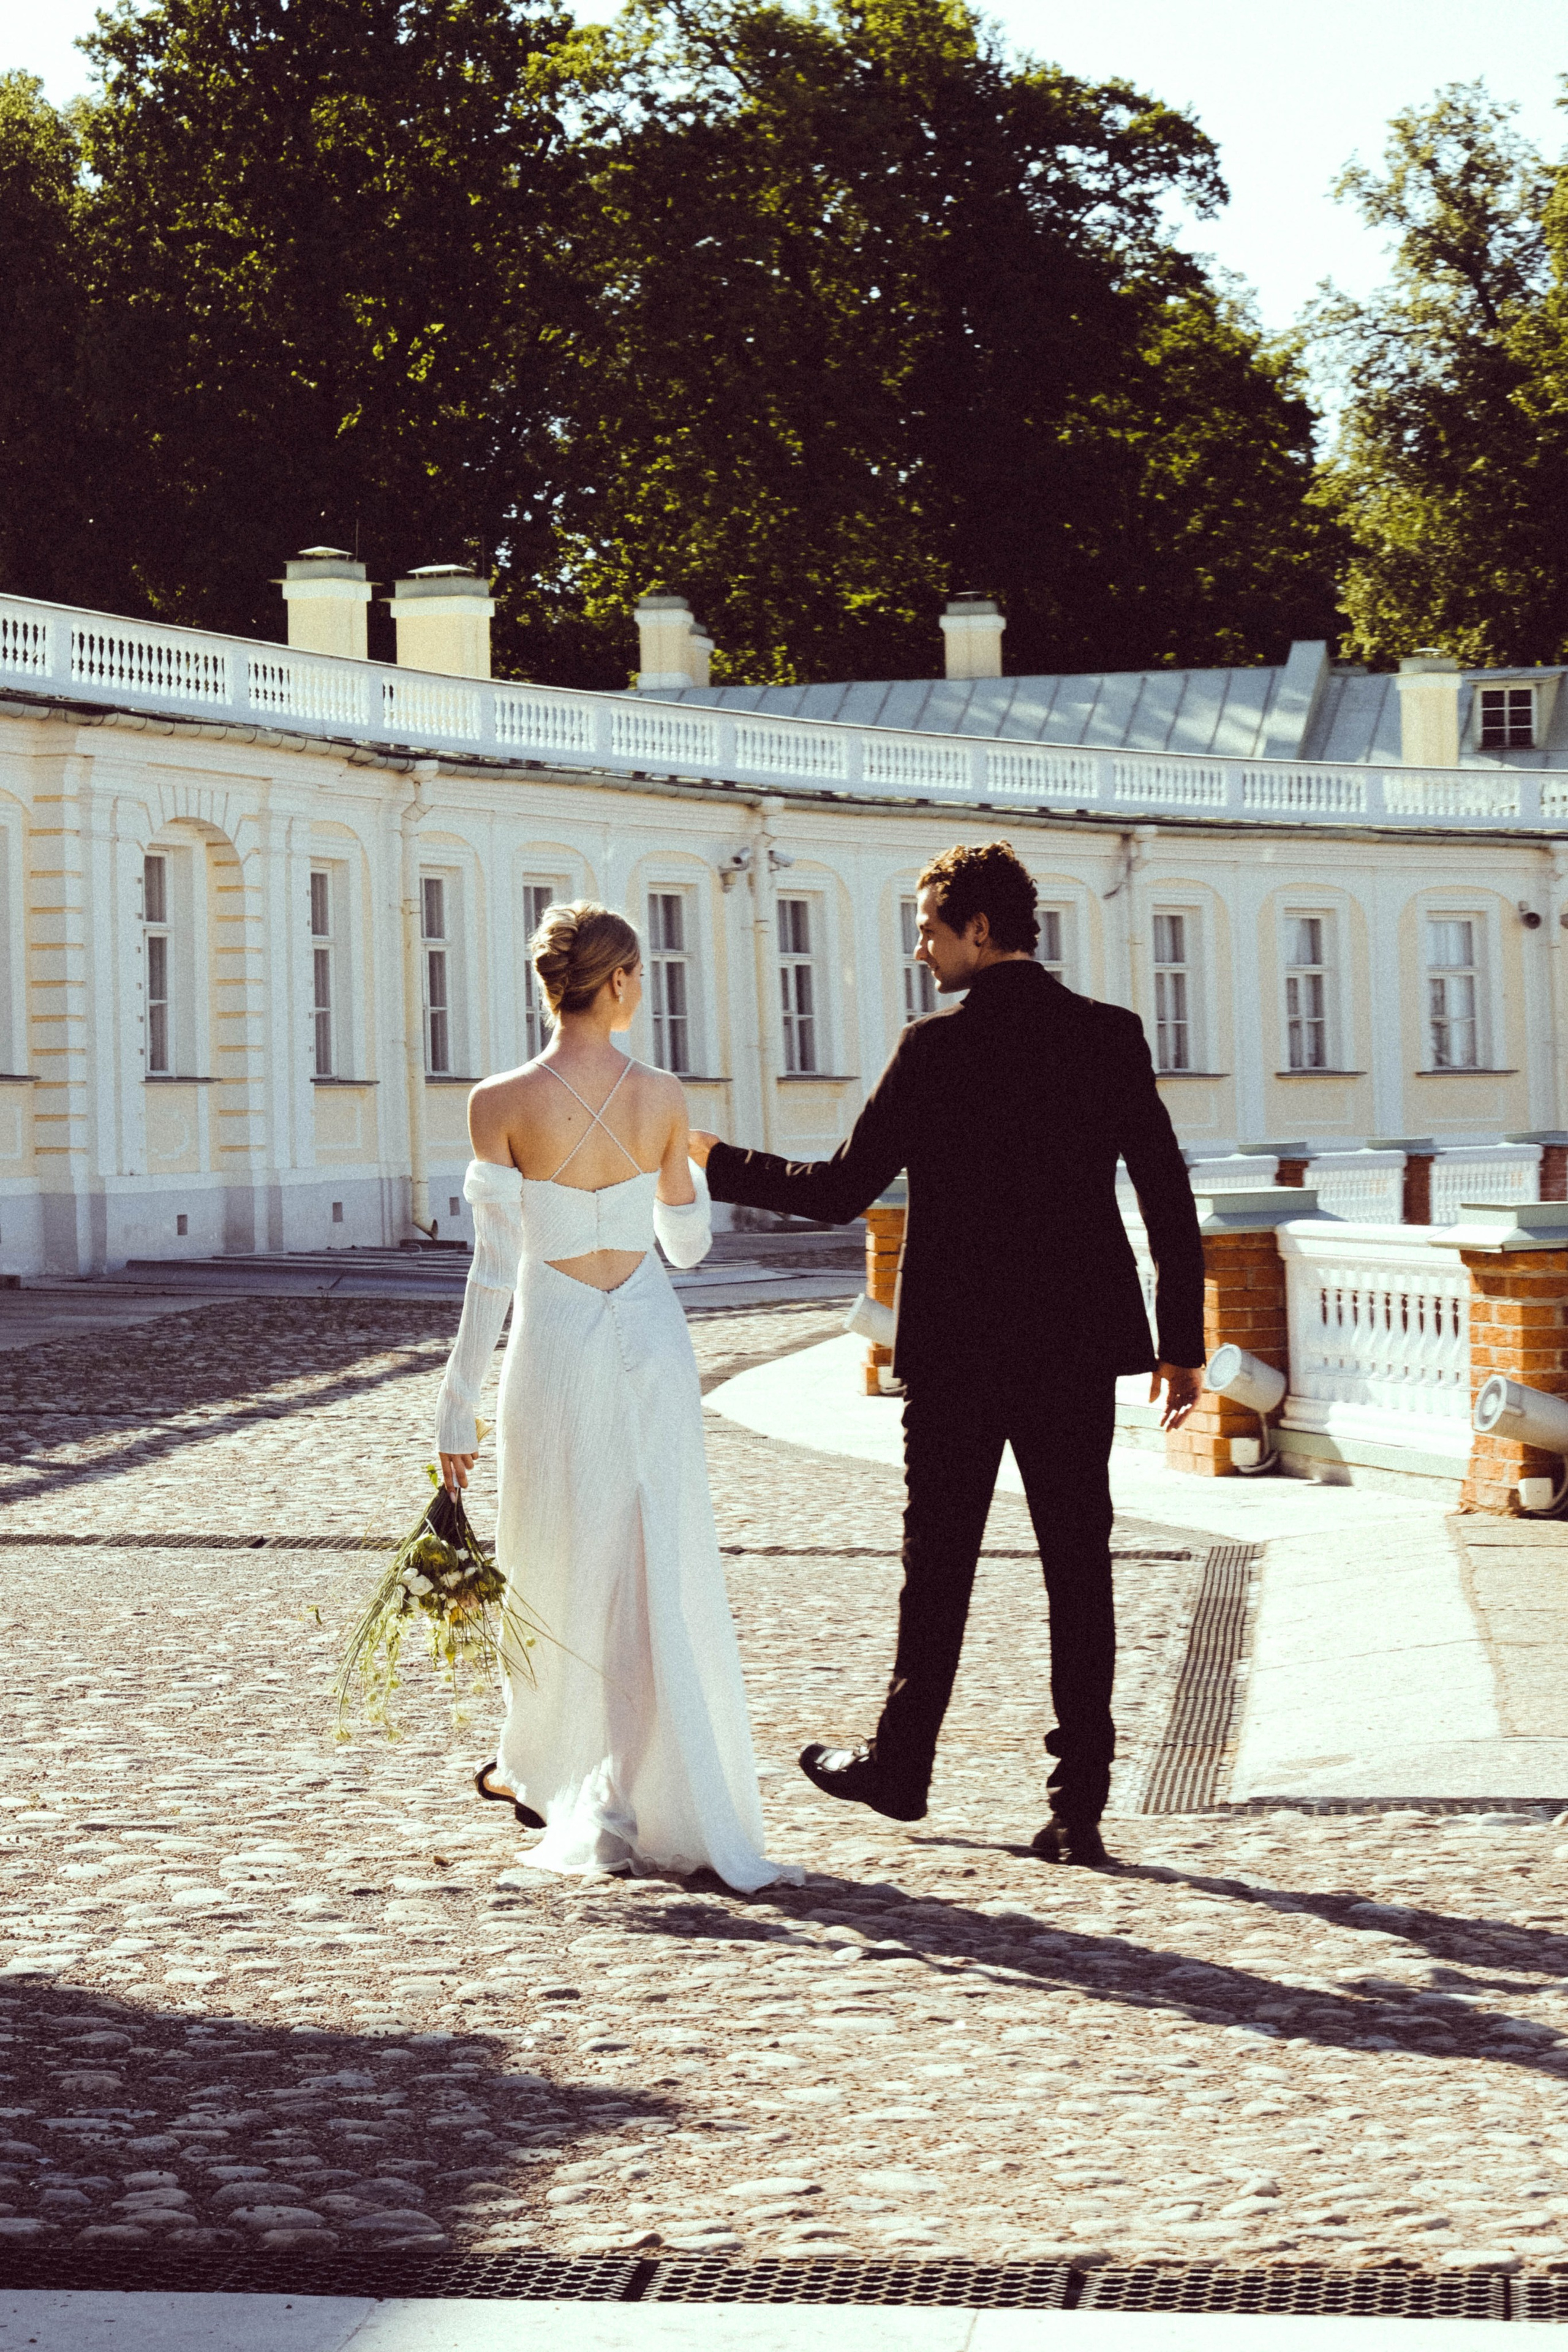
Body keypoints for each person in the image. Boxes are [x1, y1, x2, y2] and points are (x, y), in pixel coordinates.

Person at [690, 840, 1205, 1869]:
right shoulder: (1110, 1036)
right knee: (1078, 1567)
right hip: (1070, 1345)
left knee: (939, 1567)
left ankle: (902, 1765)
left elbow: (839, 1190)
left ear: (979, 929)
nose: (921, 949)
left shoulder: (932, 1048)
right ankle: (1079, 1806)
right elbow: (1164, 1190)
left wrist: (711, 1157)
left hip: (963, 1347)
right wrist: (1180, 1344)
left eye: (930, 928)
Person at [433, 900, 799, 1892]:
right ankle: (649, 1785)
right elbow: (686, 1248)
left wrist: (453, 1406)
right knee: (658, 1561)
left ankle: (569, 1784)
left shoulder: (497, 1101)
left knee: (556, 1557)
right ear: (623, 981)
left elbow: (492, 1275)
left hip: (552, 1345)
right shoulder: (662, 1093)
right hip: (645, 1336)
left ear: (548, 984)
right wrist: (679, 1175)